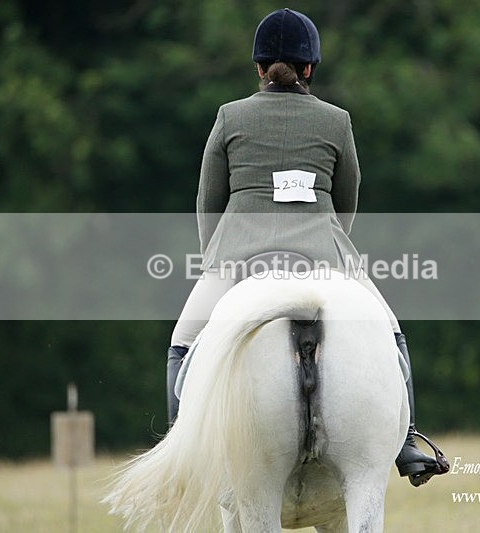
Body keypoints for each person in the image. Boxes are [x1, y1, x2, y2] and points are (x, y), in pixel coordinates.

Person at [166, 8, 446, 486]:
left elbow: (208, 203)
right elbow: (348, 199)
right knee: (392, 335)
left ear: (259, 67)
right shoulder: (337, 121)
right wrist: (330, 245)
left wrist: (216, 258)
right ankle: (405, 442)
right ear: (310, 67)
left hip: (239, 258)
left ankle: (182, 453)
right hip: (323, 257)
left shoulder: (230, 117)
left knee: (182, 345)